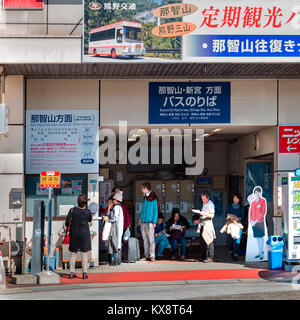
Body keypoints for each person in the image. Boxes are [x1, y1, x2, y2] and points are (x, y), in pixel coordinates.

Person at [65, 194, 92, 279]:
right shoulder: (88, 211)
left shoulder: (72, 210)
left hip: (74, 234)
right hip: (84, 236)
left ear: (77, 202)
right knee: (84, 254)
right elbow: (90, 220)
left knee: (73, 254)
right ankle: (84, 273)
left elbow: (67, 223)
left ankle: (72, 273)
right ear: (85, 203)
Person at [139, 182, 159, 262]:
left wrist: (154, 222)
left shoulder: (153, 198)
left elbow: (156, 210)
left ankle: (152, 255)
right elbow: (143, 209)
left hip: (150, 222)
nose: (141, 189)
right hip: (143, 221)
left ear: (146, 189)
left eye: (142, 188)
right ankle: (146, 255)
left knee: (151, 240)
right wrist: (140, 217)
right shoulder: (144, 197)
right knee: (145, 240)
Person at [194, 191, 216, 263]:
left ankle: (210, 257)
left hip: (208, 223)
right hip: (203, 223)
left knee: (209, 241)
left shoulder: (210, 204)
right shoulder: (204, 204)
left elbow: (212, 215)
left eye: (204, 199)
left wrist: (204, 213)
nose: (203, 200)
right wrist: (198, 220)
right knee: (202, 241)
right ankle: (203, 257)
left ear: (208, 198)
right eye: (202, 199)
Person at [103, 191, 124, 266]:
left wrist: (108, 219)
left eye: (114, 199)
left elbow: (114, 217)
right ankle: (117, 261)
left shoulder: (117, 207)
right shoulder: (119, 208)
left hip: (116, 229)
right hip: (118, 228)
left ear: (116, 200)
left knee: (116, 245)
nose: (113, 201)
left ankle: (116, 261)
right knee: (117, 244)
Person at [248, 186, 267, 260]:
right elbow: (251, 212)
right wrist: (251, 221)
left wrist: (256, 220)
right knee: (257, 237)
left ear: (260, 193)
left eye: (259, 192)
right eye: (256, 192)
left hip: (260, 222)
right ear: (254, 193)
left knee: (261, 237)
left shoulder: (263, 200)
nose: (257, 194)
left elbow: (263, 212)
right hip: (253, 223)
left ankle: (261, 253)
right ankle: (260, 251)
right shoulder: (253, 202)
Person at [225, 193, 244, 261]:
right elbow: (226, 215)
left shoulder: (241, 207)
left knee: (237, 241)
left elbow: (242, 216)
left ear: (239, 199)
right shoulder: (229, 206)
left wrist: (237, 219)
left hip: (238, 225)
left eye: (237, 198)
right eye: (234, 198)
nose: (235, 199)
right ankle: (231, 252)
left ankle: (236, 255)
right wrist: (232, 219)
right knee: (230, 241)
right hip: (230, 225)